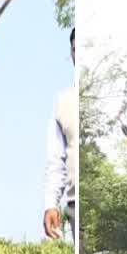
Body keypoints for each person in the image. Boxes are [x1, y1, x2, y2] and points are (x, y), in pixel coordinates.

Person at [43, 28, 77, 240]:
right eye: (75, 50)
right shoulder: (62, 101)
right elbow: (56, 160)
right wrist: (50, 204)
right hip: (74, 207)